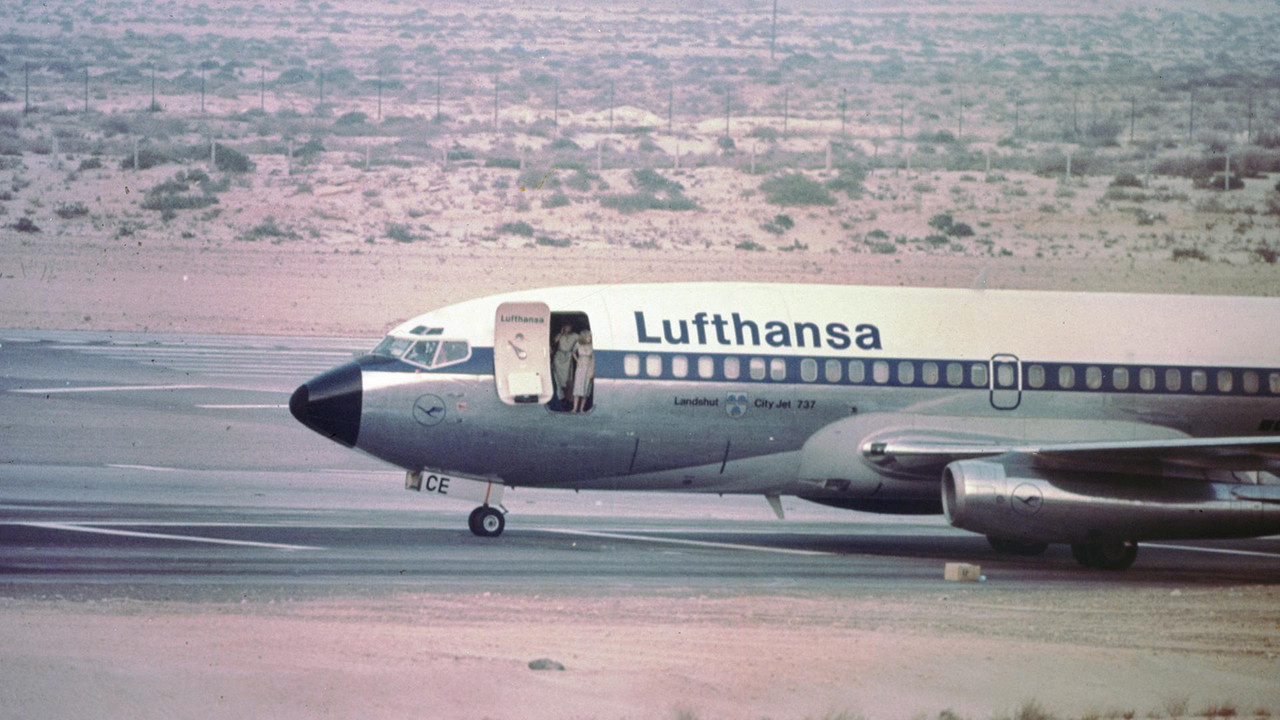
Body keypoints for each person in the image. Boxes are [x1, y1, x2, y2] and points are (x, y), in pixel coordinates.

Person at [551, 324, 578, 407]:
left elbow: (583, 340)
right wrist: (561, 333)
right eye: (566, 326)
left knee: (567, 379)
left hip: (568, 358)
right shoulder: (560, 335)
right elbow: (555, 342)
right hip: (559, 357)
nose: (567, 328)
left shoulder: (576, 336)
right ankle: (561, 398)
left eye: (569, 326)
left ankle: (568, 398)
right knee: (558, 379)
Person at [571, 330, 595, 413]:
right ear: (584, 337)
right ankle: (574, 408)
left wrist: (592, 370)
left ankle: (581, 409)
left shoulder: (592, 346)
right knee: (577, 387)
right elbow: (573, 352)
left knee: (586, 387)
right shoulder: (578, 344)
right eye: (589, 337)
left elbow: (592, 359)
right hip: (580, 367)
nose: (590, 338)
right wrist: (577, 360)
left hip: (588, 367)